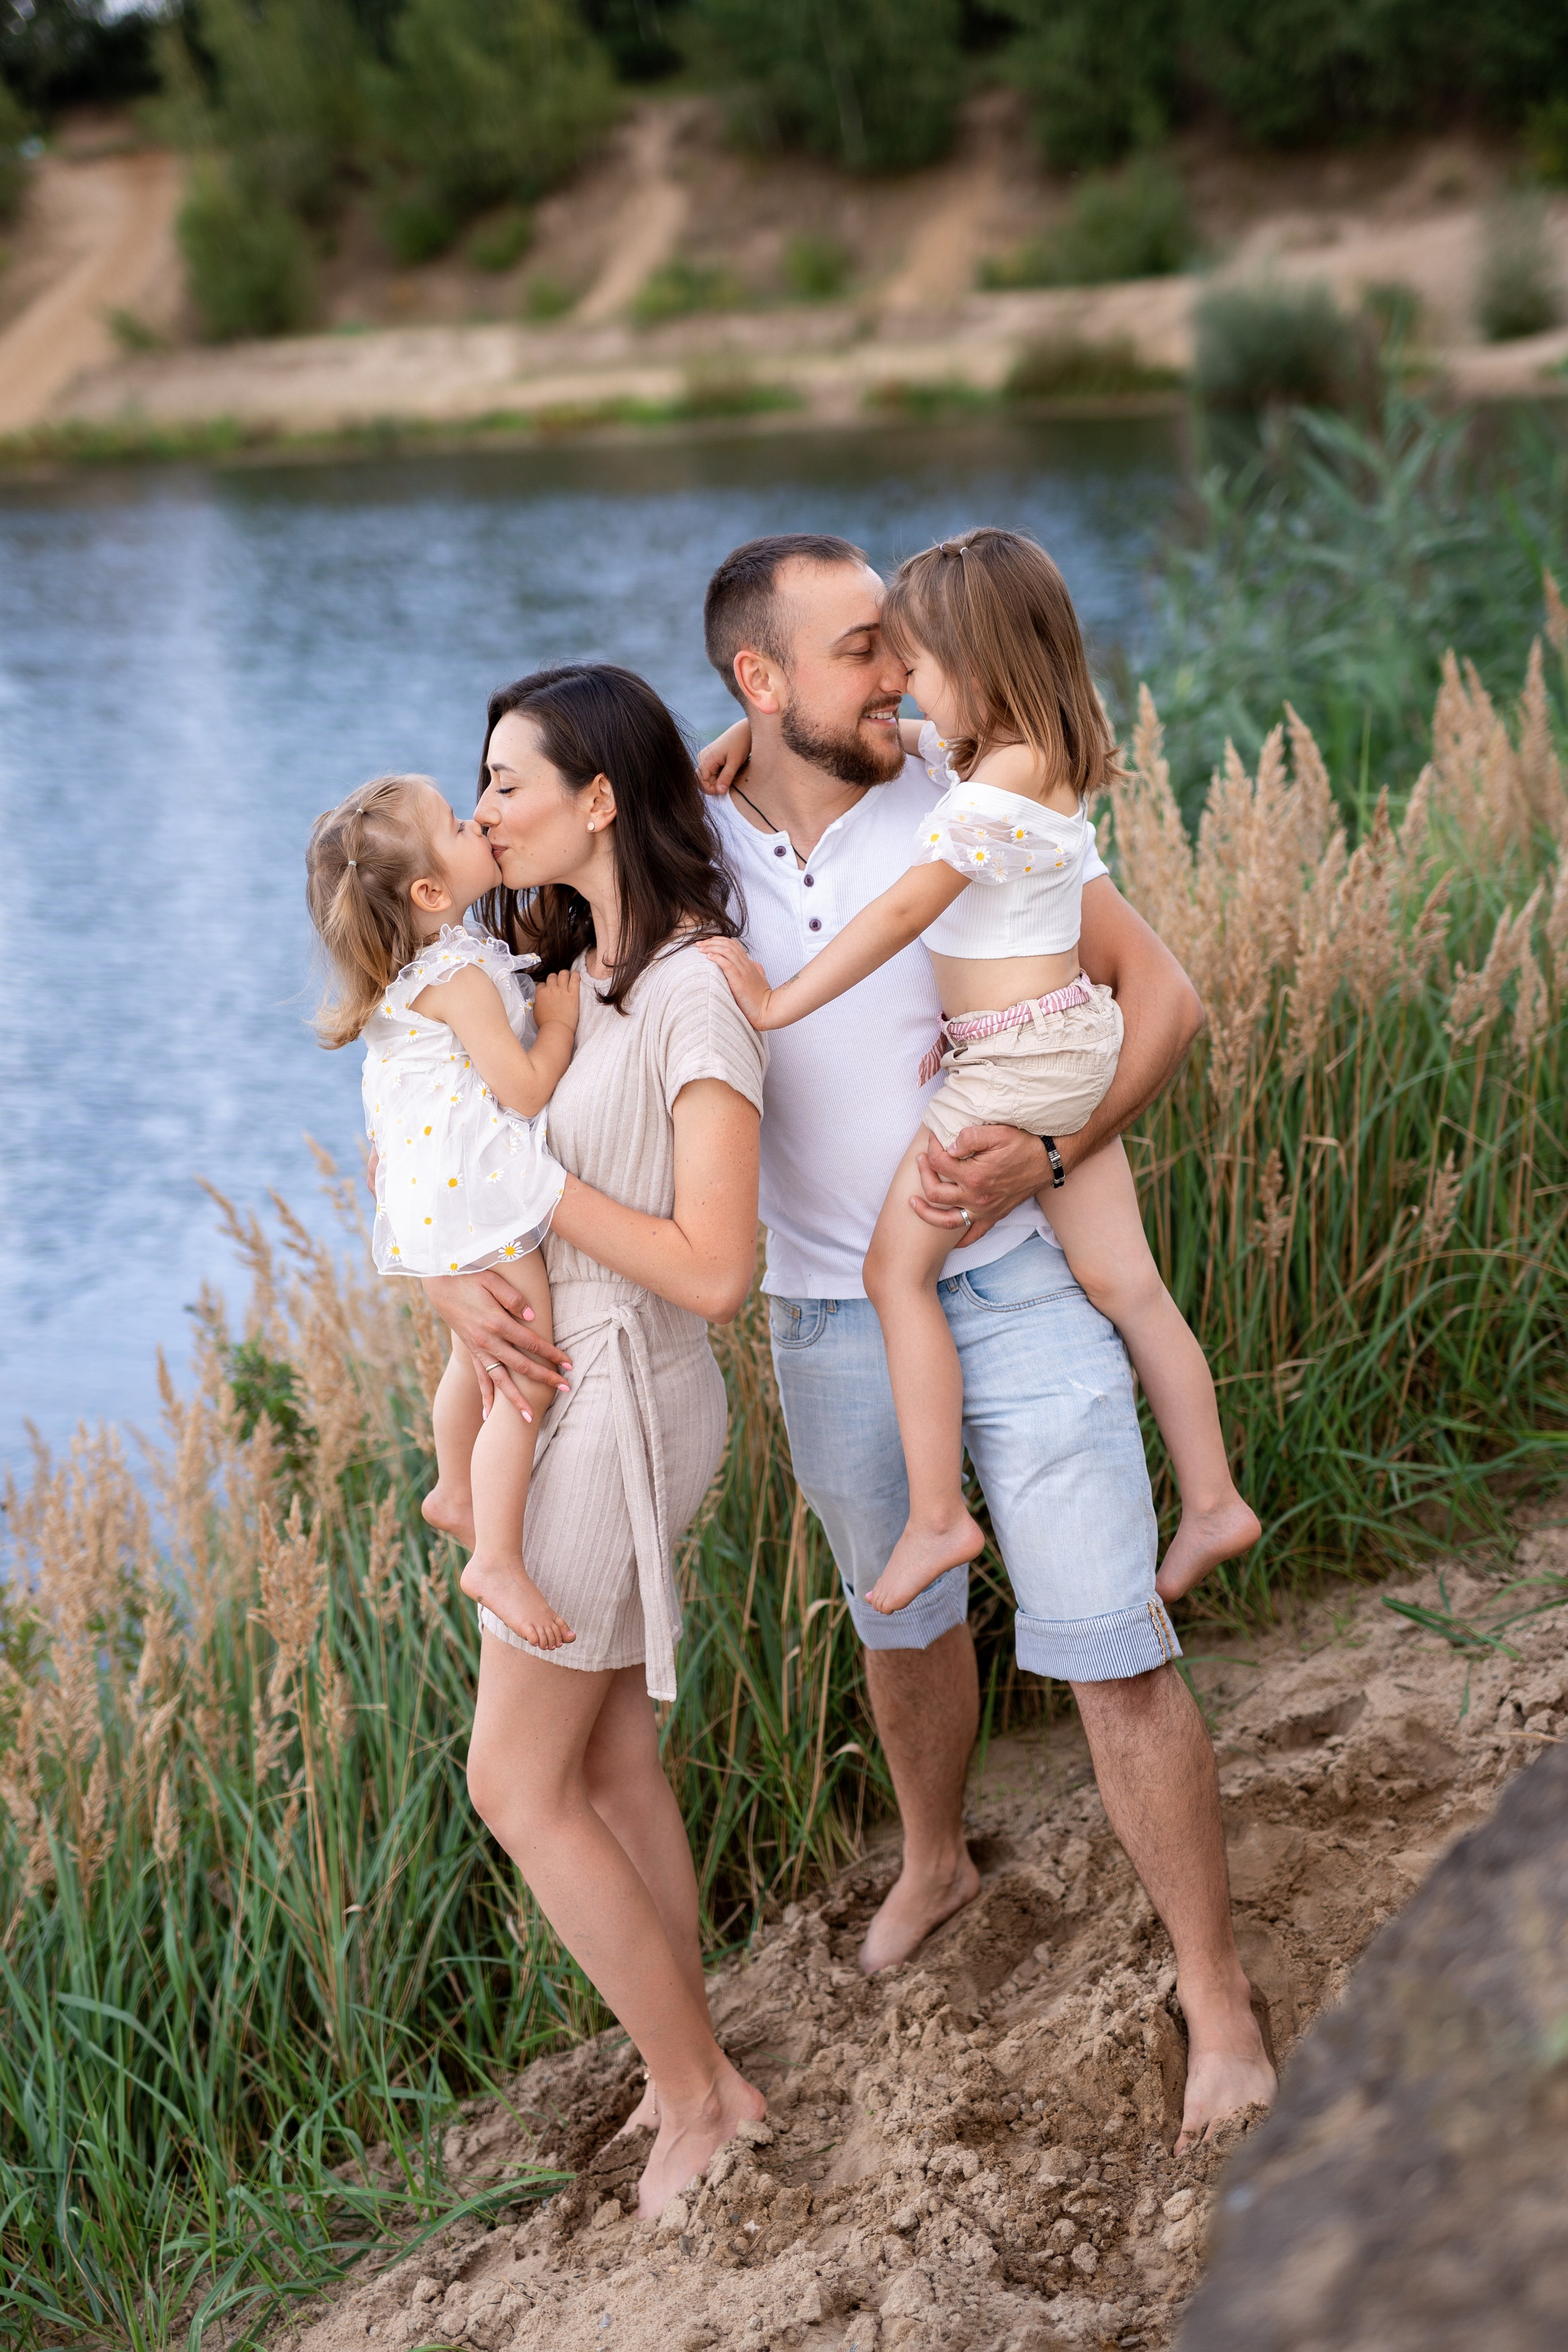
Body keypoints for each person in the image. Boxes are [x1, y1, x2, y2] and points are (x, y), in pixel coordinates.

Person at [691, 531, 1275, 2152]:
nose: (893, 676)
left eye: (900, 644)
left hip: (1013, 1282)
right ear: (761, 681)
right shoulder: (697, 833)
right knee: (906, 1623)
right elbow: (539, 874)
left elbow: (1151, 998)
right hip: (828, 1316)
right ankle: (936, 1857)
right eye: (859, 648)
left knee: (1114, 1646)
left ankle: (1215, 1993)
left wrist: (1059, 1154)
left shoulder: (958, 801)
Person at [698, 527, 1259, 1618]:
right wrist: (741, 728)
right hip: (1052, 1044)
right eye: (879, 656)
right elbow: (892, 734)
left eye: (916, 663)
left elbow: (909, 906)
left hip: (1010, 1067)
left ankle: (938, 1515)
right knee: (1130, 1287)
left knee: (892, 1275)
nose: (903, 685)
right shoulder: (1010, 759)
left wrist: (776, 999)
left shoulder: (983, 797)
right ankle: (1214, 1498)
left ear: (982, 668)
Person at [409, 663, 770, 2216]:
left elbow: (713, 1267)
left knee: (516, 1781)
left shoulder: (690, 990)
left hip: (630, 1396)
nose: (482, 809)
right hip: (565, 1386)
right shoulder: (586, 965)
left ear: (596, 799)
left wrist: (549, 1213)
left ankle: (705, 2096)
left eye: (508, 781)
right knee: (612, 1764)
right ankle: (678, 2063)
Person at [305, 770, 578, 1651]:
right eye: (461, 824)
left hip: (429, 1203)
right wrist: (562, 1025)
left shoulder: (404, 982)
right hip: (479, 1197)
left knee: (479, 1353)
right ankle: (495, 1554)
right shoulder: (458, 975)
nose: (481, 823)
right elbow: (526, 1091)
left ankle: (455, 1489)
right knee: (528, 1365)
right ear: (430, 891)